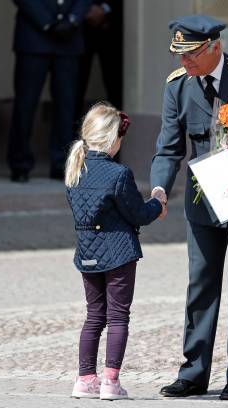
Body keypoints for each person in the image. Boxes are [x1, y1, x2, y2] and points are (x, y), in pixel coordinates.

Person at [151, 16, 228, 400]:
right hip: (203, 194)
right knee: (201, 284)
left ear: (214, 48)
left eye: (191, 55)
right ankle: (193, 372)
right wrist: (159, 189)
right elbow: (169, 147)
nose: (185, 63)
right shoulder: (177, 86)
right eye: (180, 55)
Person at [66, 102, 166, 400]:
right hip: (119, 253)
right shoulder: (119, 174)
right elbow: (136, 213)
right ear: (112, 139)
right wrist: (157, 203)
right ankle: (111, 381)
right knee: (119, 317)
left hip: (87, 252)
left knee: (94, 316)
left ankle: (84, 379)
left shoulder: (75, 170)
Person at [8, 0, 92, 183]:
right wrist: (47, 22)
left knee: (66, 105)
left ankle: (61, 163)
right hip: (33, 35)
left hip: (69, 38)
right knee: (26, 104)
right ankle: (19, 162)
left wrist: (72, 19)